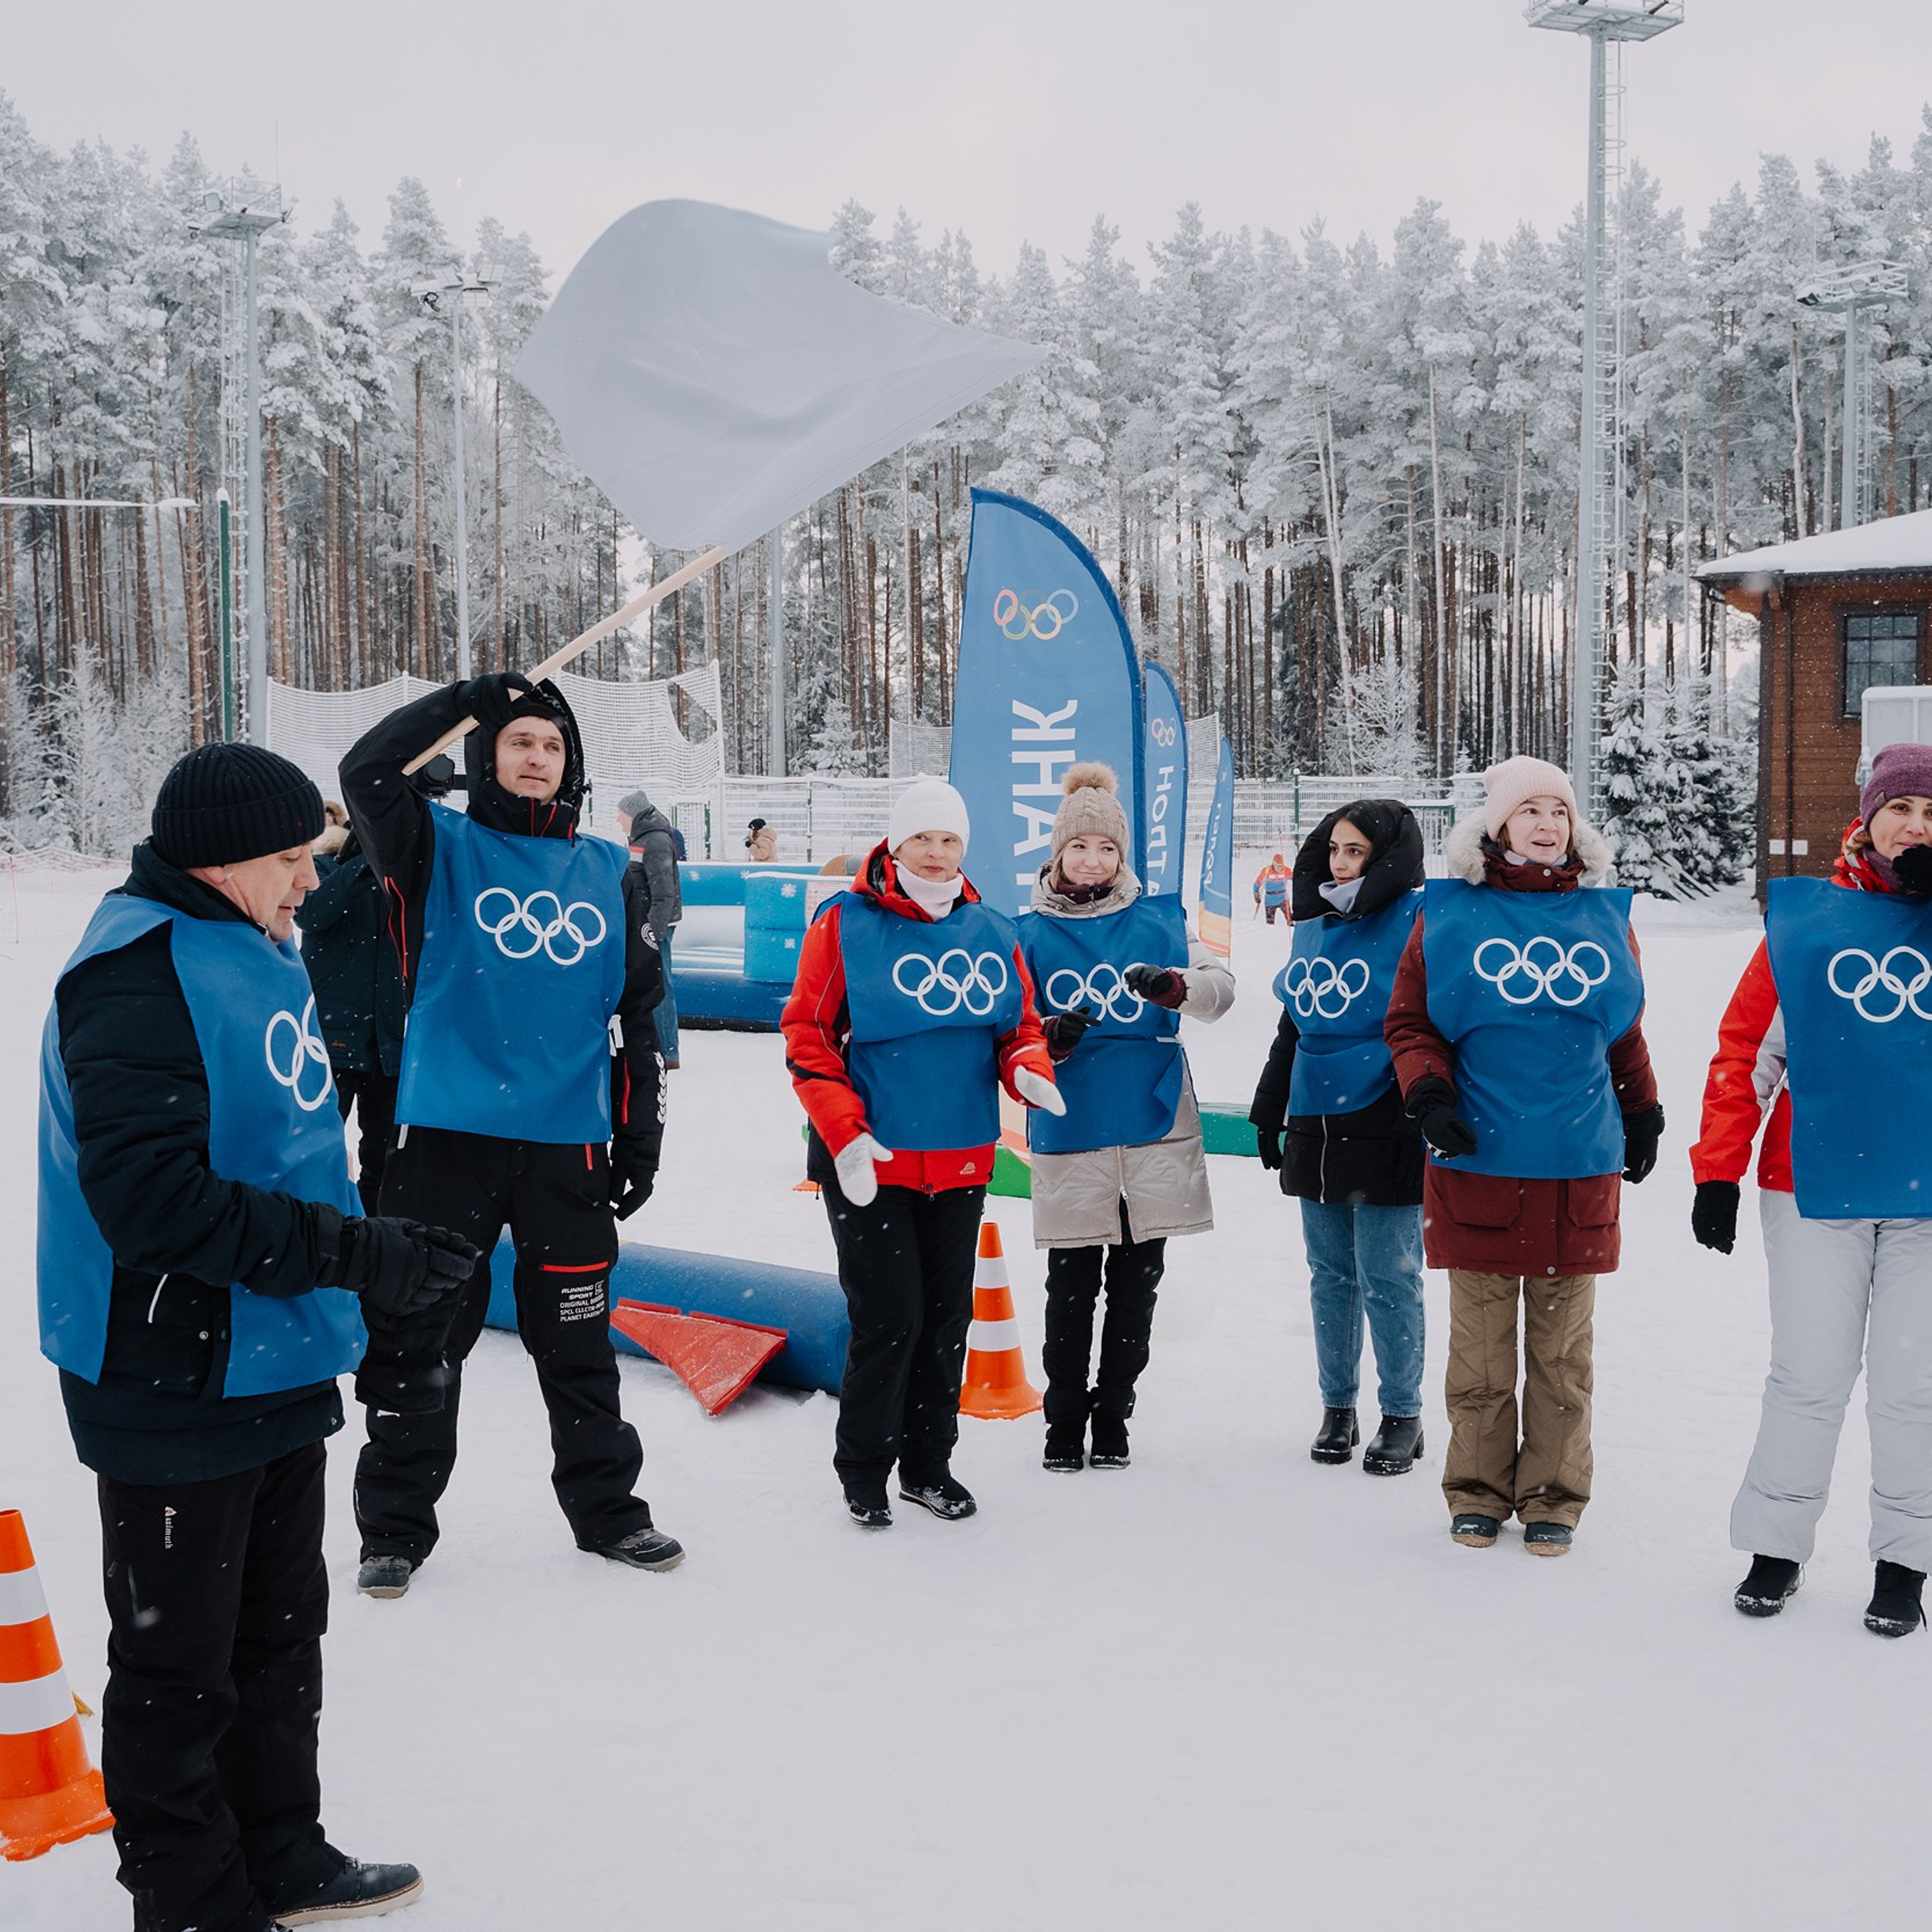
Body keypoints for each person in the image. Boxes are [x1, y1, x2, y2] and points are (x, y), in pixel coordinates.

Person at [38, 743, 478, 1932]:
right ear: (221, 856)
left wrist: (369, 1281)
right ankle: (191, 1901)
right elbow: (151, 1203)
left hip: (273, 1344)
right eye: (289, 858)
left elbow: (277, 1149)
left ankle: (281, 1852)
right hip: (168, 1364)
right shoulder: (134, 975)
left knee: (280, 1635)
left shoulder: (249, 944)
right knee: (178, 1666)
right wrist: (353, 1256)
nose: (306, 880)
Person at [341, 670, 678, 1598]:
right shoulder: (434, 845)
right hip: (444, 1137)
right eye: (519, 740)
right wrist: (460, 700)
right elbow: (366, 770)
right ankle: (395, 1528)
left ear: (572, 767)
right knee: (419, 1341)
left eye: (552, 745)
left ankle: (610, 1512)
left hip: (565, 1146)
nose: (536, 757)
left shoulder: (610, 872)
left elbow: (639, 1011)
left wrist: (638, 1129)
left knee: (577, 1341)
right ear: (488, 754)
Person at [1383, 755, 1663, 1556]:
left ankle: (1554, 1494)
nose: (1547, 823)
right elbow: (1411, 1024)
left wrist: (1641, 1109)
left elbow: (1623, 1029)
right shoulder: (1449, 917)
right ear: (1497, 825)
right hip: (1479, 1160)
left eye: (1559, 810)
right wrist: (1428, 1095)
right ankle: (1475, 1488)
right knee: (1479, 1352)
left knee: (1562, 1356)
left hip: (1576, 1163)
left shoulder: (1605, 919)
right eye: (1529, 809)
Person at [1691, 742, 1932, 1638]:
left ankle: (1906, 1557)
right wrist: (1717, 1168)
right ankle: (1777, 1542)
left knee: (1914, 1384)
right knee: (1807, 1373)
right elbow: (1744, 1054)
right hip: (1814, 1185)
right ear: (1867, 817)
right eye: (1901, 808)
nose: (1915, 827)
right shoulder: (1808, 924)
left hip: (1926, 1195)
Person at [783, 776, 1059, 1527]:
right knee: (889, 1317)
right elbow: (807, 1032)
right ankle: (864, 1468)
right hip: (868, 1160)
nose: (937, 854)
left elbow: (1016, 1025)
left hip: (962, 1159)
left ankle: (928, 1465)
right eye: (923, 839)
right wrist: (842, 1131)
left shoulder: (993, 930)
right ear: (895, 843)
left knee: (945, 1320)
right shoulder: (844, 921)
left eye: (950, 841)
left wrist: (1029, 1069)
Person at [1016, 764, 1233, 1472]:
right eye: (1080, 848)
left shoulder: (1160, 919)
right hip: (1072, 1119)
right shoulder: (1024, 932)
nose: (1093, 861)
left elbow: (1221, 992)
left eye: (1107, 849)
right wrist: (1047, 1036)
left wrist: (1178, 987)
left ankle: (1114, 1414)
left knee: (1138, 1283)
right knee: (1071, 1284)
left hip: (1152, 1117)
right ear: (1056, 854)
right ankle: (1062, 1421)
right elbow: (1008, 1027)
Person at [1250, 801, 1429, 1474]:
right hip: (1316, 1114)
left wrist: (1428, 1103)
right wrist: (1270, 1108)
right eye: (1335, 851)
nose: (1342, 863)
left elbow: (1431, 1023)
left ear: (1387, 858)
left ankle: (1403, 1414)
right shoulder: (1314, 927)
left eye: (1357, 852)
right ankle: (1337, 1407)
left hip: (1388, 1109)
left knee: (1390, 1273)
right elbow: (1294, 1024)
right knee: (1330, 1275)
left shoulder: (1418, 920)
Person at [297, 811, 407, 1213]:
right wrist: (367, 863)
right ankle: (318, 1240)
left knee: (385, 1160)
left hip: (391, 1045)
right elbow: (310, 914)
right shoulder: (324, 867)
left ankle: (373, 1246)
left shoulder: (405, 877)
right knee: (315, 1153)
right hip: (330, 1043)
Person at [616, 787, 683, 1072]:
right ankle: (658, 1044)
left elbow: (663, 893)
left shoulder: (654, 841)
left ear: (632, 815)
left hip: (657, 924)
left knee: (660, 986)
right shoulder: (641, 838)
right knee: (652, 984)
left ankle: (668, 1050)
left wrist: (651, 935)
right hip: (646, 922)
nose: (618, 821)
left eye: (620, 815)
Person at [1253, 851, 1291, 924]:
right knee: (1270, 923)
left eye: (1281, 866)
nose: (1280, 868)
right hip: (1270, 900)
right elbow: (1257, 883)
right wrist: (1256, 893)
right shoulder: (1266, 871)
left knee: (1290, 921)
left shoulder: (1286, 870)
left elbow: (1295, 878)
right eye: (1278, 866)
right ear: (1274, 863)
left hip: (1283, 898)